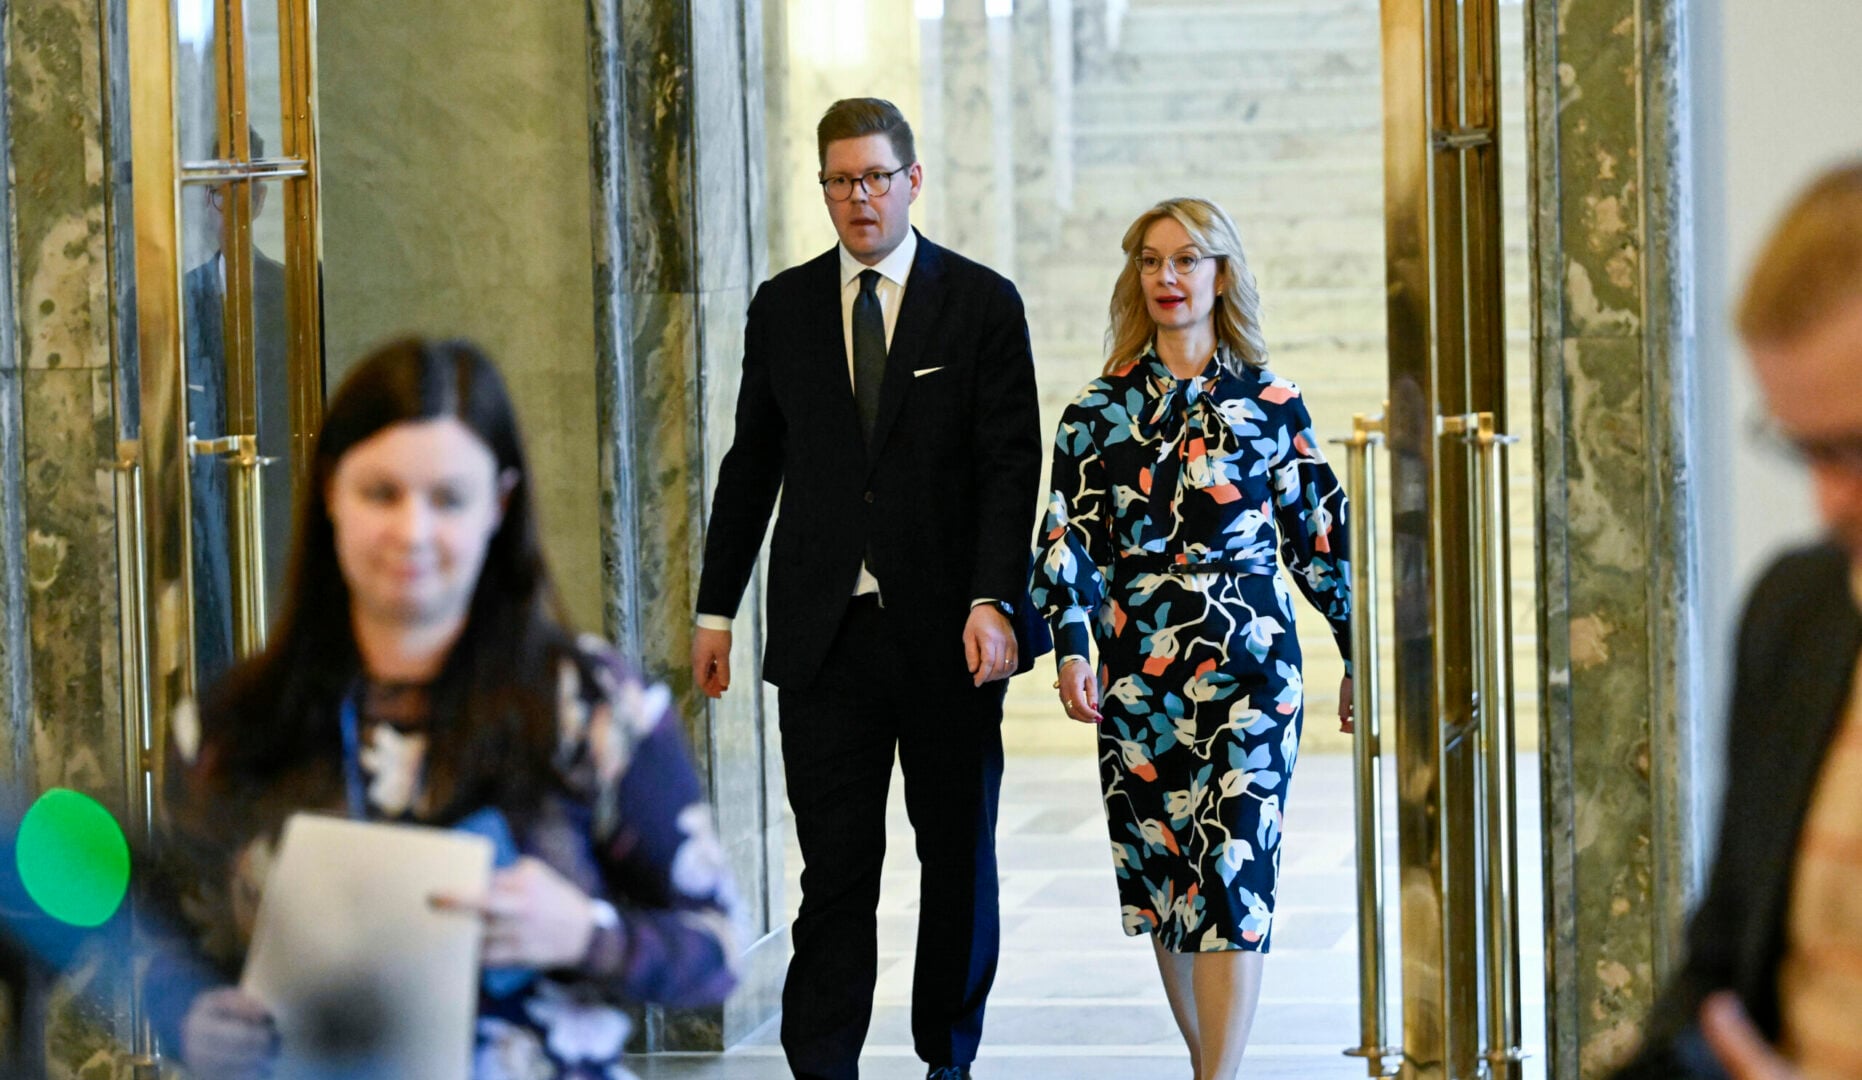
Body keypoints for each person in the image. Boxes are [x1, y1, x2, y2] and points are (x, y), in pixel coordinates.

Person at [148, 337, 740, 1079]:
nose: (413, 531)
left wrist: (584, 932)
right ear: (330, 491)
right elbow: (159, 951)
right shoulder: (232, 725)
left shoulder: (588, 707)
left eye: (448, 499)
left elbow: (717, 952)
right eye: (381, 493)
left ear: (499, 504)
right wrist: (191, 1022)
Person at [688, 97, 1044, 1080]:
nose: (859, 198)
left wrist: (993, 599)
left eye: (876, 178)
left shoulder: (981, 303)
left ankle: (946, 1059)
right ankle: (823, 1066)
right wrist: (715, 609)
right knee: (835, 872)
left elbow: (1010, 467)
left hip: (950, 637)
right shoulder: (784, 307)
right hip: (825, 639)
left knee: (955, 861)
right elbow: (750, 466)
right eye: (840, 181)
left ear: (911, 181)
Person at [1030, 196, 1353, 1080]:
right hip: (1139, 675)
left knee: (1234, 878)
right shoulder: (1095, 411)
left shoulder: (1272, 402)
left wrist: (1356, 650)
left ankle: (1219, 1078)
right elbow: (1068, 540)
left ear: (1221, 274)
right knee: (1169, 888)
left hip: (1252, 672)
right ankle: (1208, 1061)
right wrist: (1071, 646)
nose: (1166, 277)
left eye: (1186, 259)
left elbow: (1321, 536)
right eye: (1151, 261)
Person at [1613, 163, 1862, 1080]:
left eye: (1856, 447)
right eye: (1805, 451)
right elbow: (1722, 962)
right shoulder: (1798, 612)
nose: (1829, 502)